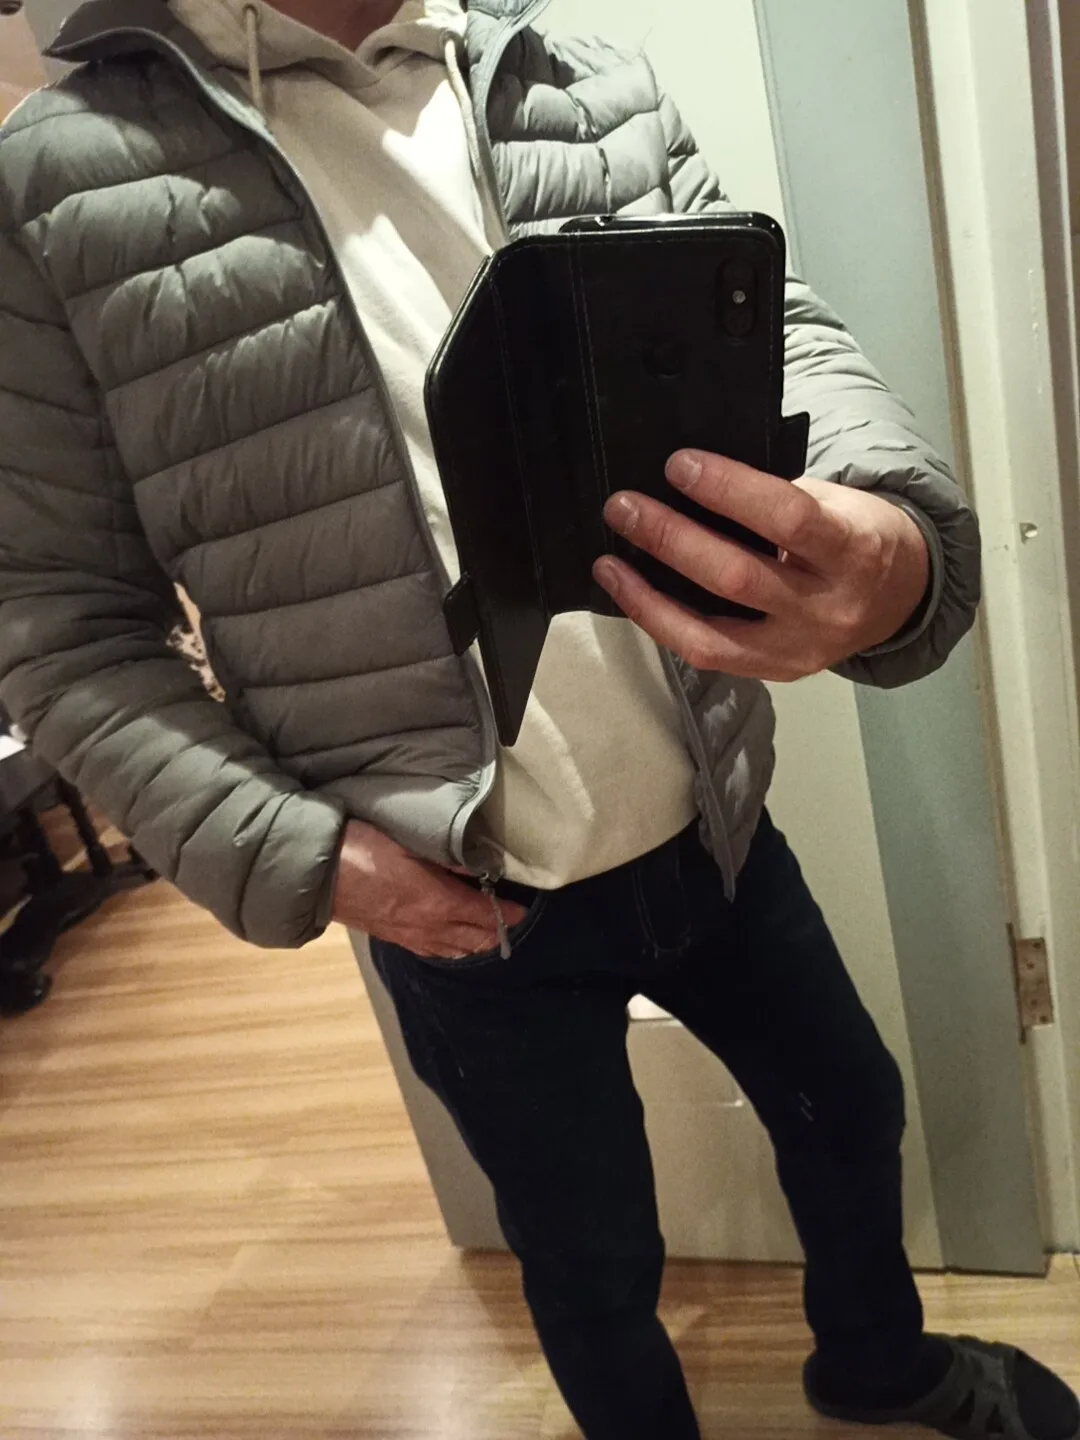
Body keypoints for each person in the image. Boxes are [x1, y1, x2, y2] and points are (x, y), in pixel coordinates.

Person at [0, 1, 1076, 1436]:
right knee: (588, 1259)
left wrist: (889, 525)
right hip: (457, 901)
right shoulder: (54, 184)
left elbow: (776, 335)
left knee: (851, 1104)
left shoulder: (577, 74)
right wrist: (298, 854)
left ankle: (879, 1366)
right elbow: (61, 625)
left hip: (713, 824)